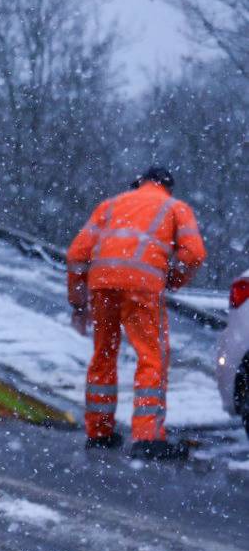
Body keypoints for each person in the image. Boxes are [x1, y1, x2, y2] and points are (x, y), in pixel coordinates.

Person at [66, 165, 205, 460]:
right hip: (142, 287)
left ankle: (99, 433)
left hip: (102, 284)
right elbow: (194, 254)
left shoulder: (110, 205)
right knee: (152, 357)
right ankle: (147, 438)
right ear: (167, 186)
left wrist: (79, 303)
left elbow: (77, 255)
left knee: (103, 354)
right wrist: (171, 280)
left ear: (138, 183)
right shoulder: (176, 208)